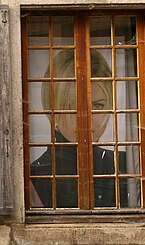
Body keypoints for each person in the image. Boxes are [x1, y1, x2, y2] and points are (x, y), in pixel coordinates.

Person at [30, 49, 126, 208]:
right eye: (72, 106)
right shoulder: (35, 177)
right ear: (51, 108)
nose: (85, 118)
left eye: (98, 105)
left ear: (110, 108)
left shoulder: (126, 166)